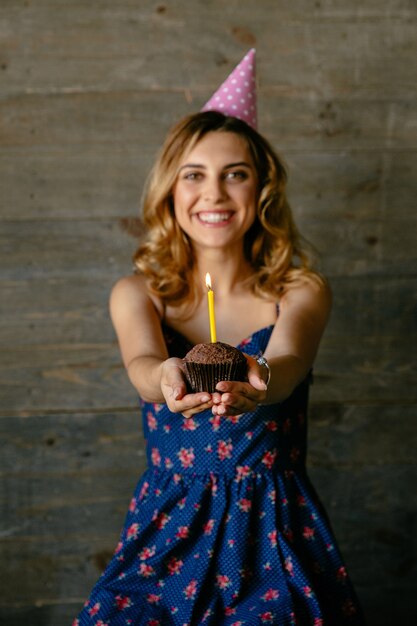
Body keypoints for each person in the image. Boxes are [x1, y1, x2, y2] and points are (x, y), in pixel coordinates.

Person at [74, 51, 364, 625]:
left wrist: (259, 381)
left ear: (262, 188)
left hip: (273, 527)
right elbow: (142, 362)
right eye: (194, 174)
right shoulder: (139, 293)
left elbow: (286, 362)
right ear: (169, 190)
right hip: (168, 522)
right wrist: (163, 378)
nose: (215, 192)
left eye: (235, 173)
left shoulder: (299, 290)